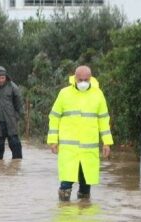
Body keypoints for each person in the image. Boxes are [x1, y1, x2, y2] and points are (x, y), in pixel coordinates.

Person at [47, 65, 113, 202]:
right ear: (74, 78)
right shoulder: (64, 93)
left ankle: (84, 217)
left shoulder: (98, 94)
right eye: (80, 79)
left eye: (86, 79)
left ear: (91, 78)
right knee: (66, 184)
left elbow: (104, 120)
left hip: (88, 150)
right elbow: (54, 117)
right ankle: (65, 214)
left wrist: (107, 142)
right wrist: (53, 140)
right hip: (68, 149)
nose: (83, 82)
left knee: (85, 186)